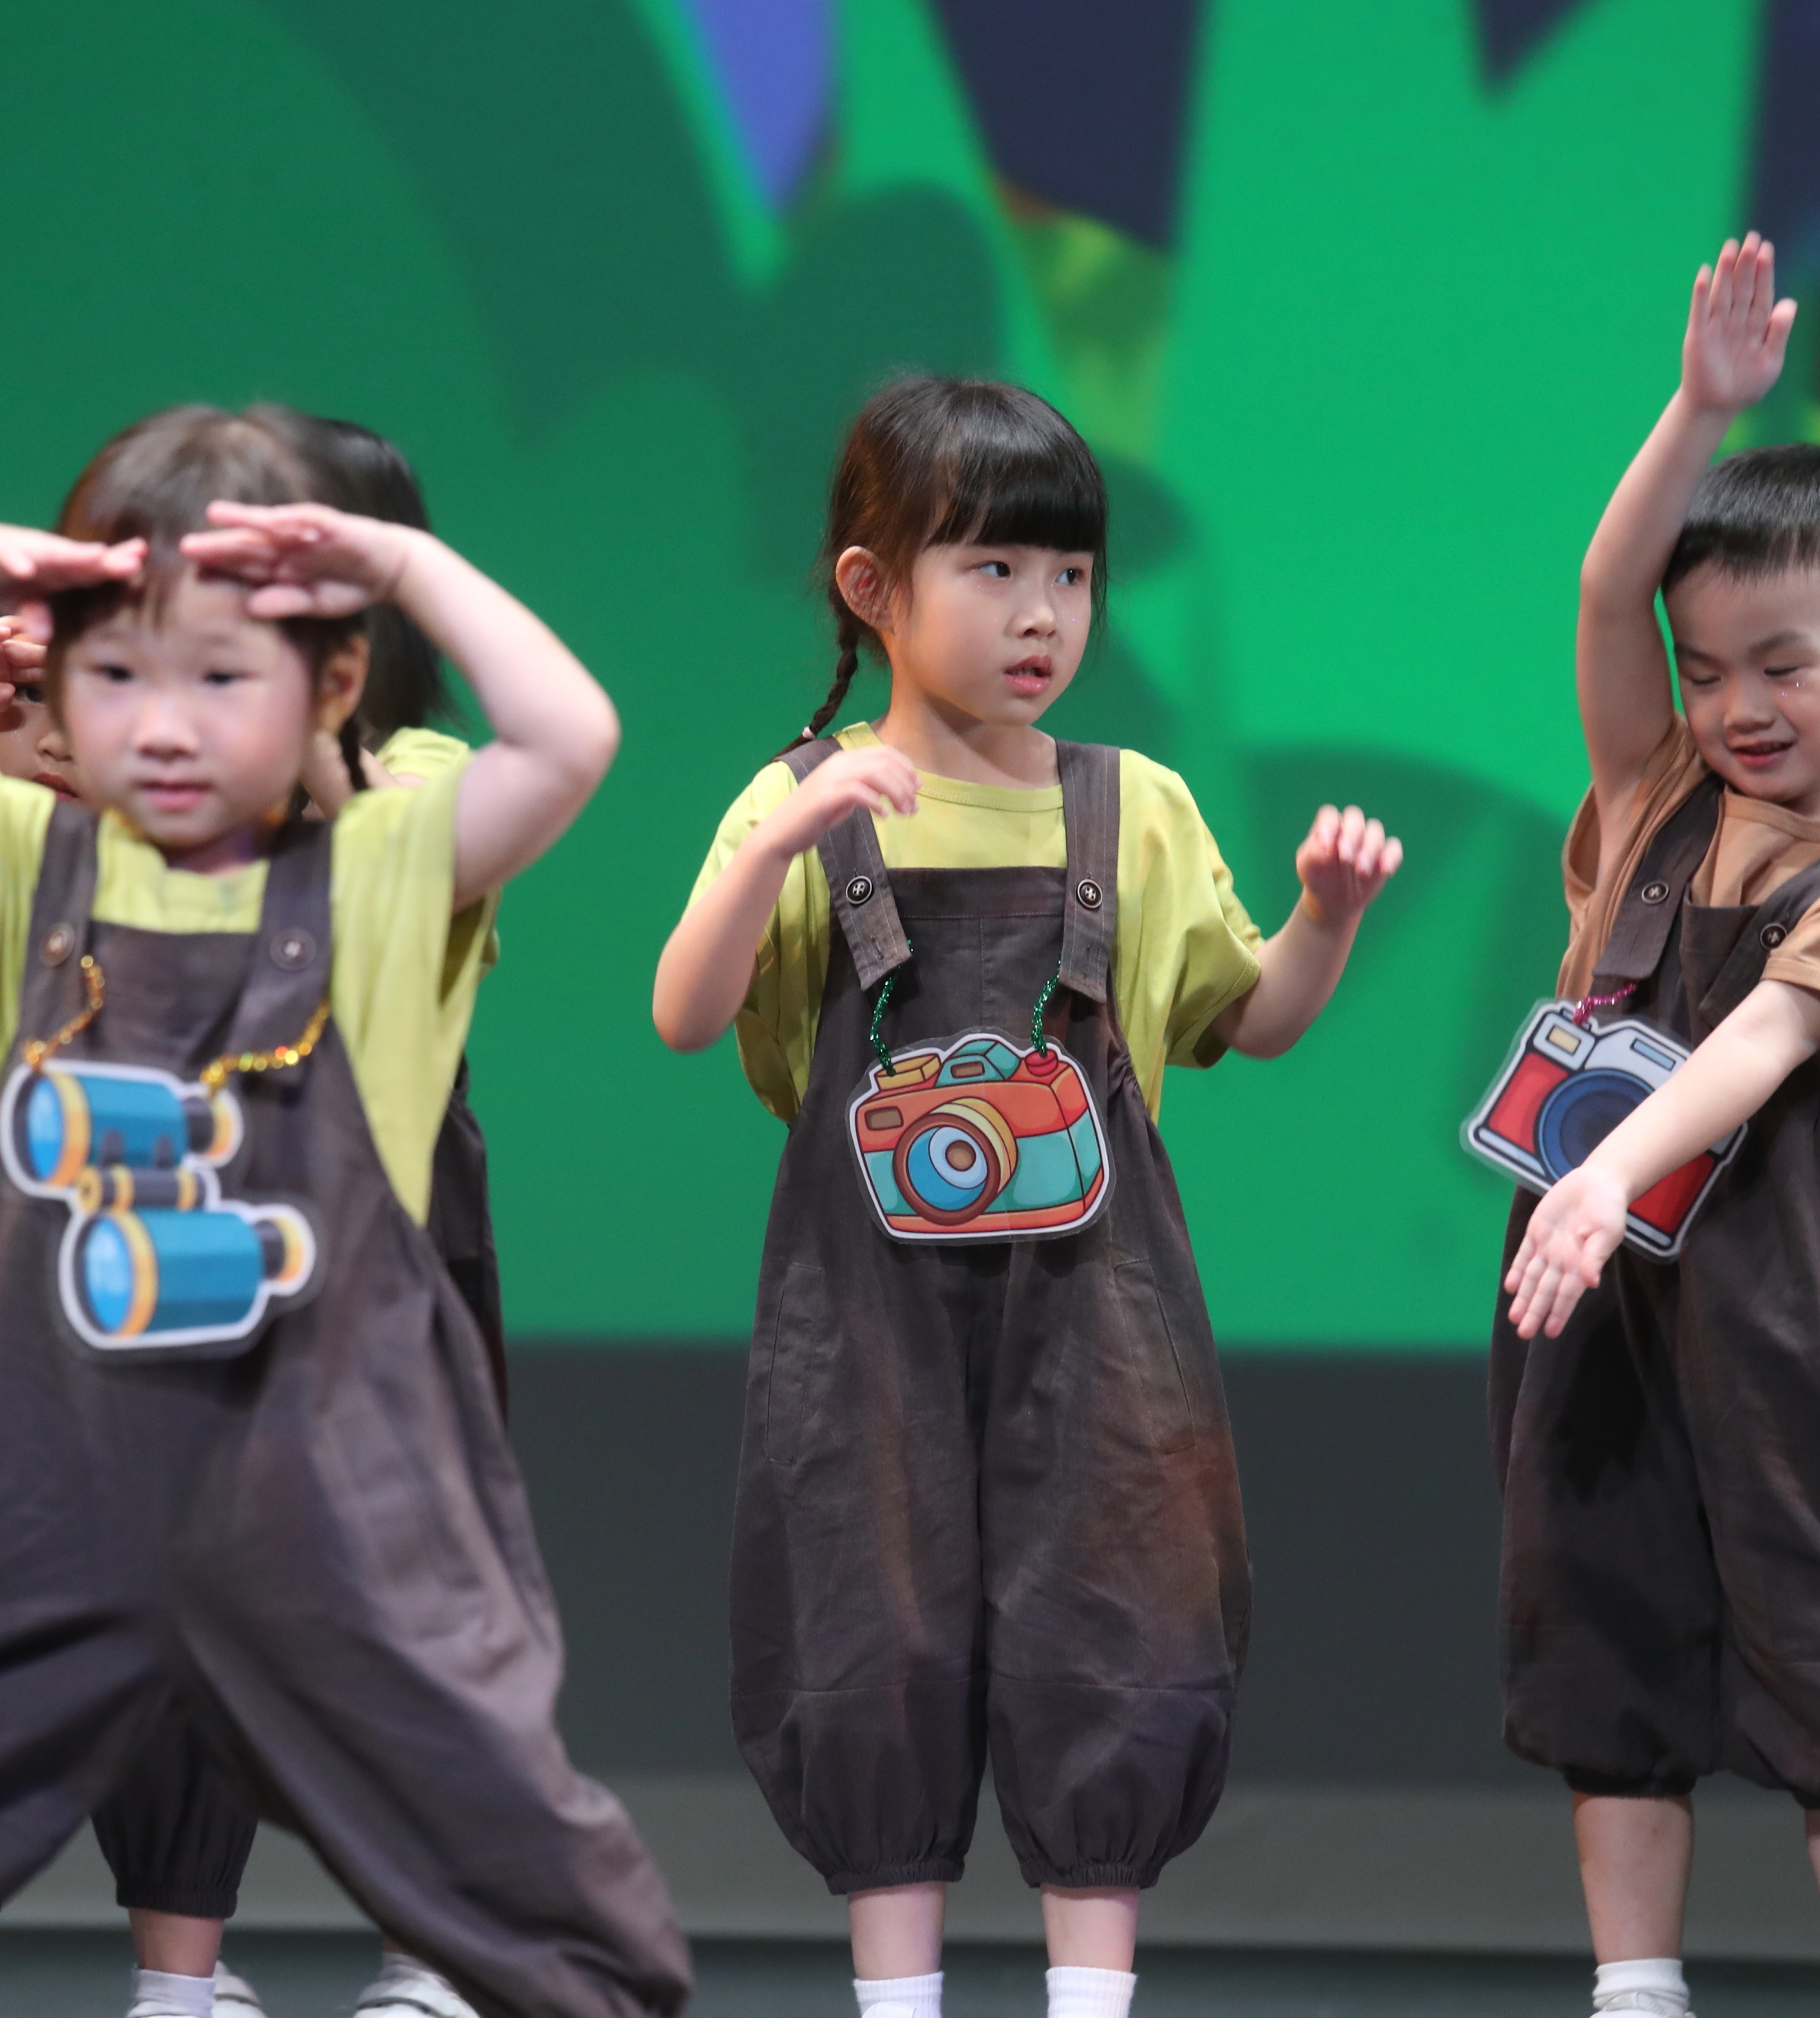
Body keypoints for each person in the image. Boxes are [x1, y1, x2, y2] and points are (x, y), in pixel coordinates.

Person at [0, 401, 689, 2018]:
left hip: (318, 1476)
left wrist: (399, 568)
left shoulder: (379, 866)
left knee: (537, 1880)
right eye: (117, 675)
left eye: (222, 677)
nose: (163, 725)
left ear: (330, 687)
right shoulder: (20, 848)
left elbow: (568, 740)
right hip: (31, 1459)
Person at [652, 375, 1401, 2018]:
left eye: (1069, 572)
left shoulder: (1134, 805)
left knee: (1112, 1620)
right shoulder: (802, 800)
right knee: (872, 1627)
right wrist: (777, 843)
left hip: (1098, 1323)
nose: (1042, 612)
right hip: (867, 1326)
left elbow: (1251, 1018)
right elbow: (687, 1014)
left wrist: (1328, 918)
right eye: (992, 568)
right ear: (874, 586)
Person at [1489, 237, 1820, 2018]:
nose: (1738, 709)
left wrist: (1608, 1170)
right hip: (1595, 1288)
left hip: (1787, 1316)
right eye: (1707, 671)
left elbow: (1761, 1044)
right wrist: (1700, 411)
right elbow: (1605, 588)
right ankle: (1637, 1987)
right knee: (1602, 1633)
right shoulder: (1649, 799)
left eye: (1784, 664)